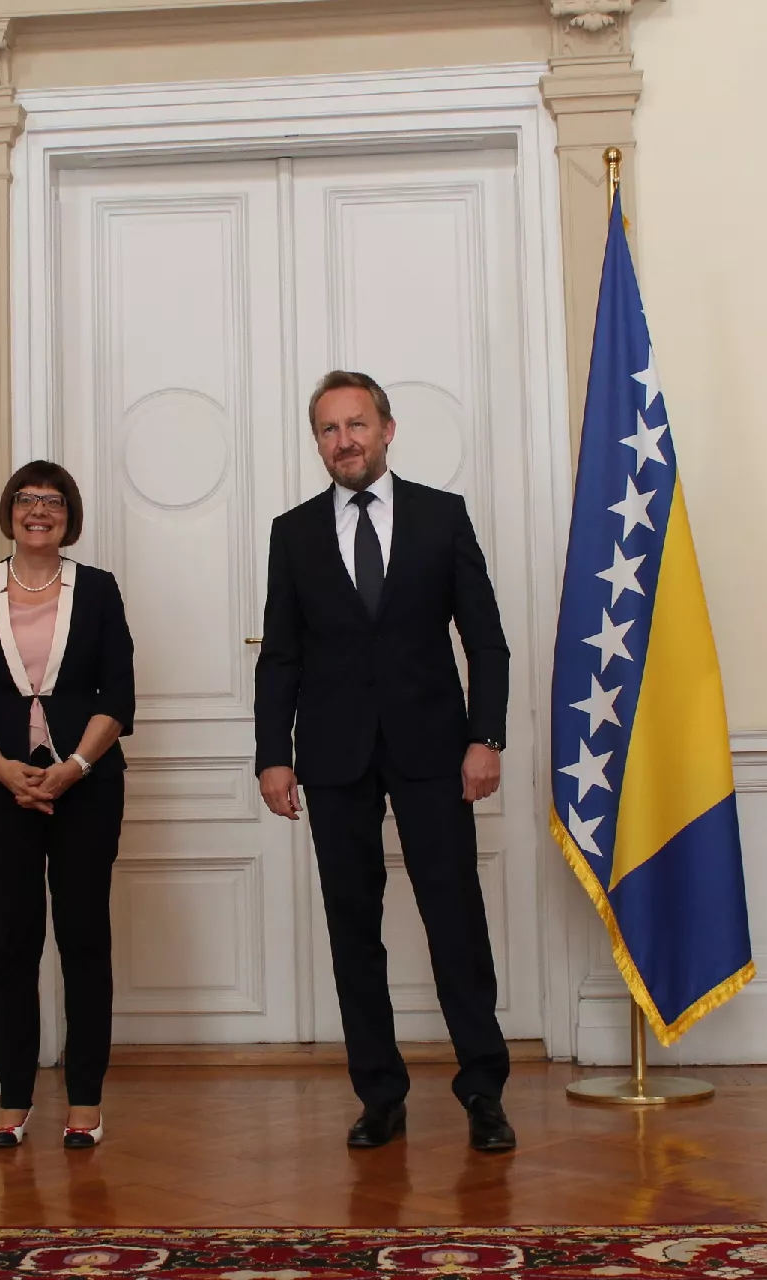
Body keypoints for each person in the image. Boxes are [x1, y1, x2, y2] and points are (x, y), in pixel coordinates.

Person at [255, 370, 516, 1153]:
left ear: (387, 429)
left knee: (454, 917)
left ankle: (483, 1089)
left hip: (435, 749)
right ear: (318, 442)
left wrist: (486, 737)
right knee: (352, 926)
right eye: (329, 429)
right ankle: (379, 1093)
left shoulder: (442, 516)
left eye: (357, 424)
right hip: (332, 756)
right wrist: (273, 757)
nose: (345, 441)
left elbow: (486, 640)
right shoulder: (293, 533)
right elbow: (280, 655)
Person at [0, 461, 134, 1150]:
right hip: (0, 790)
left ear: (69, 516)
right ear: (10, 511)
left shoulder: (99, 590)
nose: (39, 511)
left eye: (53, 501)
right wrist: (4, 771)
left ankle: (85, 1102)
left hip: (87, 788)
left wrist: (73, 767)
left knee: (84, 940)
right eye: (27, 499)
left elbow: (118, 696)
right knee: (15, 943)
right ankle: (14, 1098)